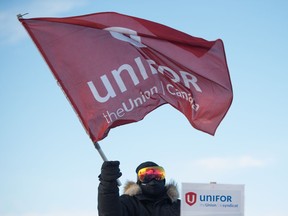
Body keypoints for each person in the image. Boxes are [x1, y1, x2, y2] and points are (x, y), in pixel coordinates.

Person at [98, 160, 180, 216]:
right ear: (139, 181)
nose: (153, 179)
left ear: (164, 180)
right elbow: (110, 213)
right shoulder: (129, 202)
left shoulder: (178, 205)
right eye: (146, 176)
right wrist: (108, 184)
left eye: (158, 175)